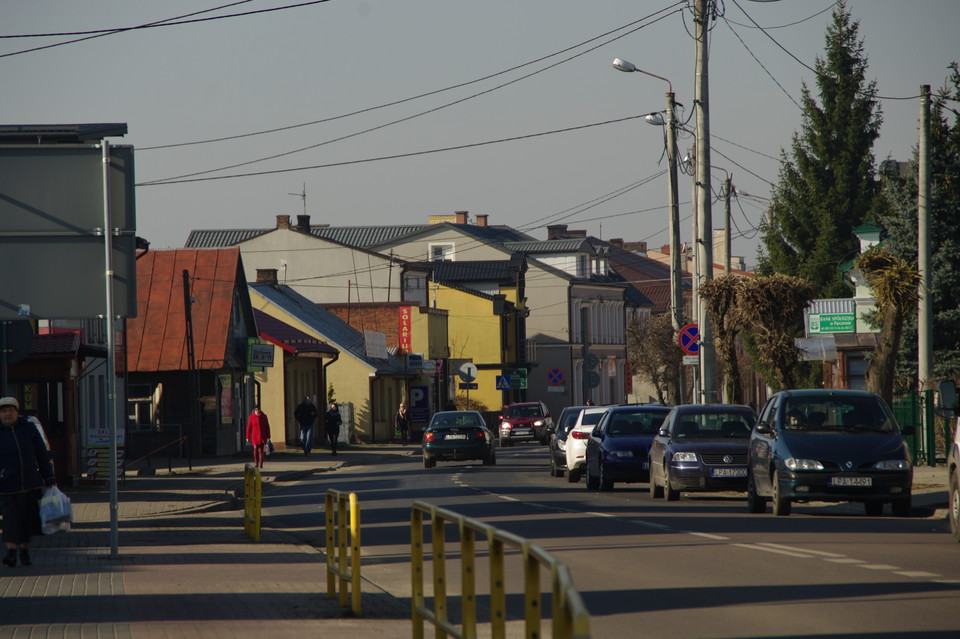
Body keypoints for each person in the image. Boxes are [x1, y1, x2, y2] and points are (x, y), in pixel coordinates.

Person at [0, 396, 57, 568]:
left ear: (17, 412)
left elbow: (42, 455)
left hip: (30, 482)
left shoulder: (28, 429)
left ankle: (24, 552)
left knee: (27, 519)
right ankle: (11, 552)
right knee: (10, 519)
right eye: (3, 411)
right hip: (6, 485)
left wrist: (50, 479)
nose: (7, 414)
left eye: (10, 411)